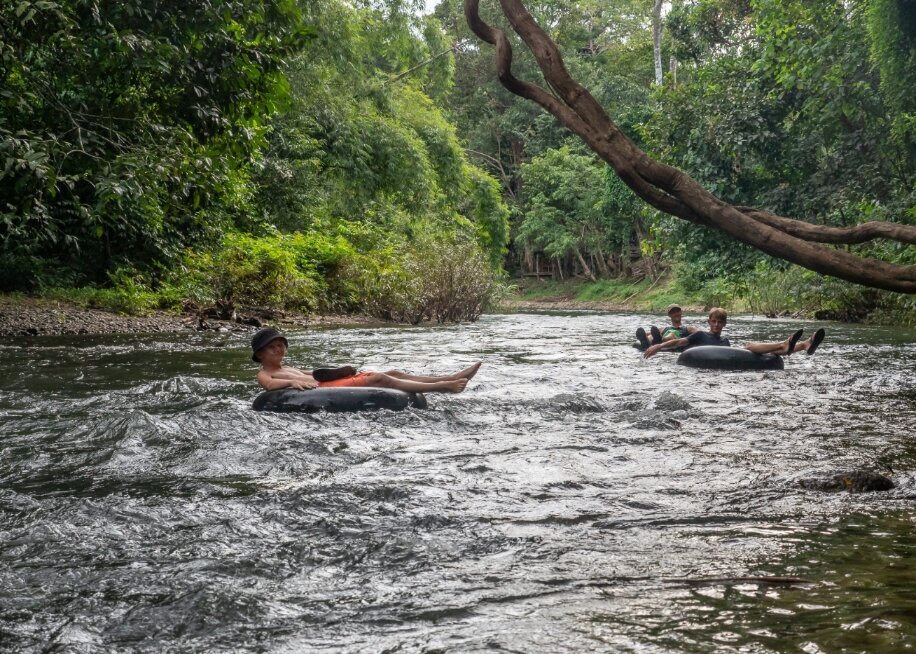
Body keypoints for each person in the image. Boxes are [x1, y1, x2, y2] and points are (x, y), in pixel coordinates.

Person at [251, 328, 480, 393]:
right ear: (260, 354)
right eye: (272, 347)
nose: (278, 349)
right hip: (321, 389)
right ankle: (443, 387)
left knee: (394, 372)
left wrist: (339, 372)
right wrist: (291, 383)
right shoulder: (265, 373)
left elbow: (315, 374)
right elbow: (269, 385)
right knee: (379, 378)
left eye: (280, 345)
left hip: (326, 383)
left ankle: (451, 376)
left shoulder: (290, 367)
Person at [643, 307, 826, 359]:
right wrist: (659, 346)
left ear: (724, 324)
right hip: (703, 363)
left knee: (755, 350)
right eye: (713, 321)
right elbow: (678, 342)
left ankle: (805, 344)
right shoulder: (699, 336)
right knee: (749, 347)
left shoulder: (725, 341)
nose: (716, 325)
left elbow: (738, 357)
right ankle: (789, 344)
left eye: (719, 322)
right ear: (709, 322)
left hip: (725, 362)